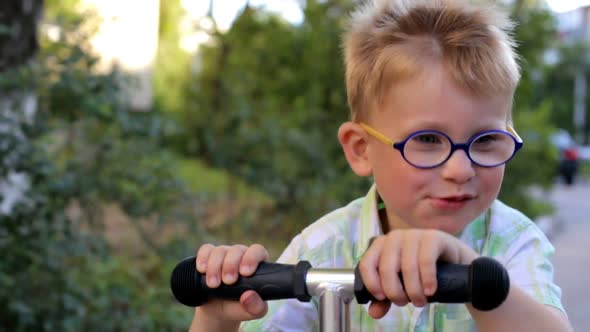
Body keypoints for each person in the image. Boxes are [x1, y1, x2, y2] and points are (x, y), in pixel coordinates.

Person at [189, 0, 572, 331]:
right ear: (361, 149)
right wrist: (217, 320)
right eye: (426, 140)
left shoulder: (513, 243)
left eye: (485, 140)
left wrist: (473, 271)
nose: (460, 169)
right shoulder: (324, 248)